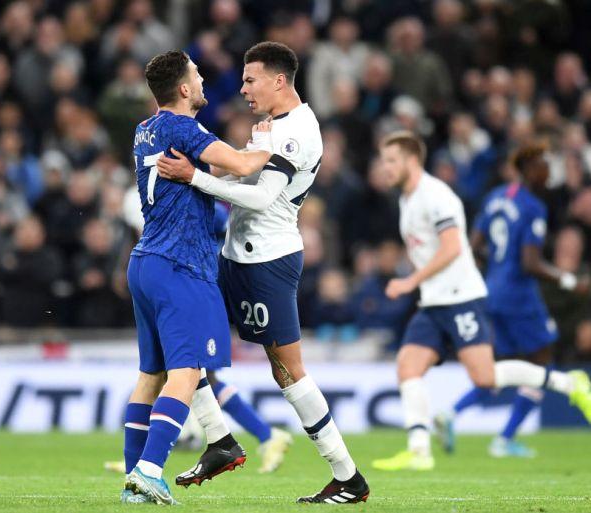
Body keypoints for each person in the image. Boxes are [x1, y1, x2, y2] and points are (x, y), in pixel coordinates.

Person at [157, 41, 369, 504]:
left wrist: (194, 177)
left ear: (279, 80)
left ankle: (347, 475)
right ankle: (219, 440)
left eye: (250, 80)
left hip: (266, 261)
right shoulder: (271, 125)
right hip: (237, 255)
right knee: (186, 342)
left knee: (289, 372)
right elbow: (243, 179)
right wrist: (218, 163)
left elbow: (259, 198)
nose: (243, 88)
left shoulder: (296, 131)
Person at [369, 131, 591, 472]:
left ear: (412, 161)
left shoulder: (435, 195)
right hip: (434, 301)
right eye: (384, 160)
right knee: (407, 367)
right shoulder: (408, 198)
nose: (384, 168)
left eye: (391, 160)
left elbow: (455, 247)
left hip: (460, 298)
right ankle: (418, 451)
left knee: (484, 377)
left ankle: (567, 382)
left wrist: (411, 280)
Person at [122, 50, 274, 505]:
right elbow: (246, 167)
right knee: (186, 372)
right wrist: (268, 140)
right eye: (197, 74)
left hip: (146, 262)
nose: (203, 78)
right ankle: (150, 470)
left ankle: (135, 481)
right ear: (185, 89)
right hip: (181, 265)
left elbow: (218, 164)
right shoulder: (181, 128)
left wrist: (213, 167)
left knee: (151, 375)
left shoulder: (147, 129)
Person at [436, 143, 591, 458]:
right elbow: (530, 264)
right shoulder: (533, 206)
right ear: (531, 169)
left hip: (493, 292)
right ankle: (505, 438)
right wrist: (569, 281)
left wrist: (496, 267)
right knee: (542, 361)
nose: (549, 171)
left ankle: (452, 413)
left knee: (504, 368)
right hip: (520, 296)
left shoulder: (495, 198)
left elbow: (473, 246)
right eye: (544, 165)